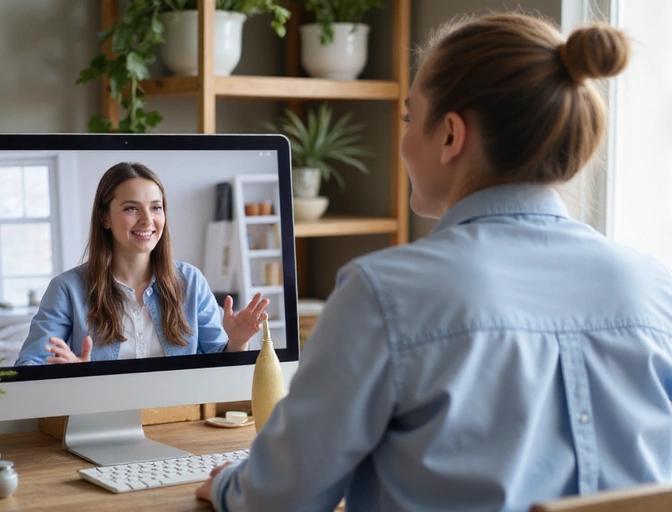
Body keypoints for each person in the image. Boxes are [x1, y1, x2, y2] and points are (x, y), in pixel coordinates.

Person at [195, 12, 672, 512]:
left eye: (408, 118)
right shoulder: (652, 285)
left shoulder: (385, 294)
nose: (401, 142)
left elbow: (280, 499)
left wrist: (230, 482)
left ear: (450, 136)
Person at [15, 162, 268, 365]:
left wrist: (237, 343)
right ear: (105, 217)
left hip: (176, 419)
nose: (148, 220)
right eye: (131, 209)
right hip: (96, 422)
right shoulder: (66, 289)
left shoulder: (191, 281)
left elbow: (218, 369)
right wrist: (68, 375)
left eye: (156, 207)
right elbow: (29, 364)